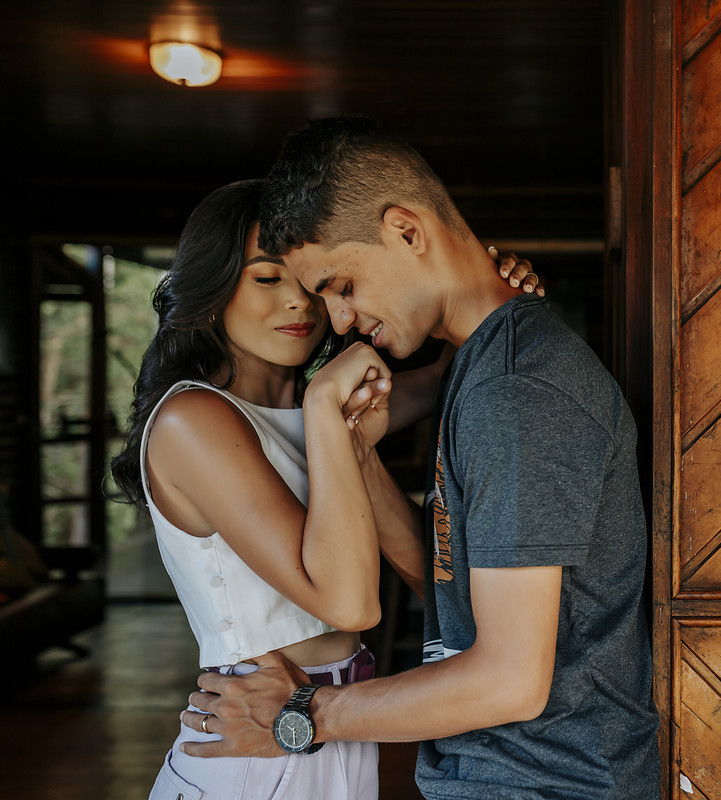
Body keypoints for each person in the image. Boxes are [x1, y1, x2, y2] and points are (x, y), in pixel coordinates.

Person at [181, 117, 661, 799]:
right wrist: (356, 453)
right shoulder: (478, 370)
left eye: (340, 284)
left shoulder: (517, 390)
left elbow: (509, 680)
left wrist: (302, 717)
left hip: (545, 784)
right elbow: (452, 593)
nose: (338, 321)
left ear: (407, 231)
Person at [109, 178, 542, 800]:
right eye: (265, 279)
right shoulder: (193, 420)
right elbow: (351, 604)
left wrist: (492, 293)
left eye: (311, 283)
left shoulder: (320, 409)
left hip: (328, 721)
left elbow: (454, 376)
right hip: (251, 741)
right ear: (212, 288)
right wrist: (323, 402)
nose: (299, 305)